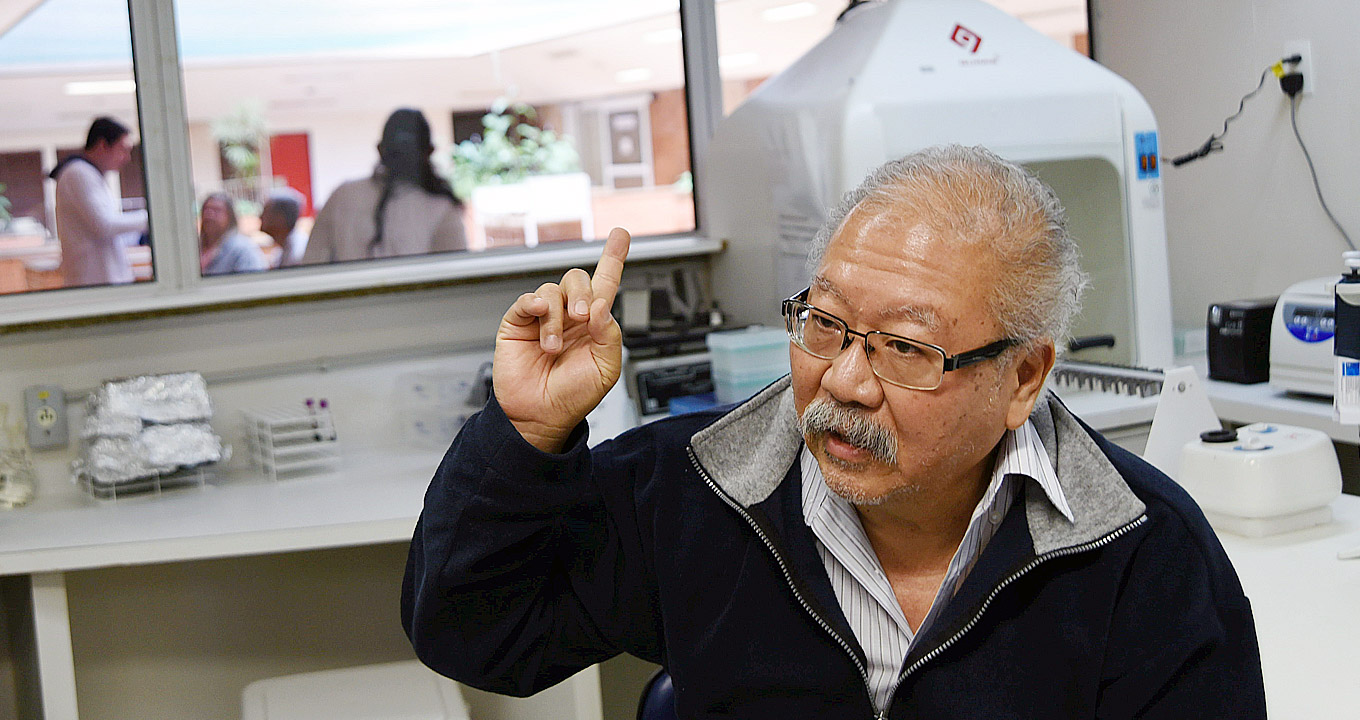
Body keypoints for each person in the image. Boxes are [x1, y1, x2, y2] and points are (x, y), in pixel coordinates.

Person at [402, 146, 1266, 718]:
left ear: (1024, 377)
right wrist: (524, 436)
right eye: (824, 324)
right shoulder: (698, 487)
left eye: (904, 348)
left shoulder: (1140, 551)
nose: (844, 380)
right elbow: (476, 631)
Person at [302, 108, 465, 264]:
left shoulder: (343, 197)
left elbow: (311, 268)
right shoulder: (442, 207)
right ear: (429, 152)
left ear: (380, 150)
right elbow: (455, 280)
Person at [51, 116, 148, 287]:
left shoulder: (89, 174)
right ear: (103, 145)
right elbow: (105, 226)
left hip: (102, 280)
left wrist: (139, 236)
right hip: (96, 283)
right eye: (123, 149)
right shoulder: (79, 173)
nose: (127, 158)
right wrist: (151, 218)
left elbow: (106, 233)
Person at [199, 192, 267, 276]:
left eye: (216, 210)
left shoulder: (243, 249)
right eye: (206, 210)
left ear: (229, 216)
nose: (209, 215)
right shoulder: (195, 249)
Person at [259, 187, 308, 268]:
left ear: (280, 218)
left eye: (265, 212)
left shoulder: (298, 255)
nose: (260, 217)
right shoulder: (281, 251)